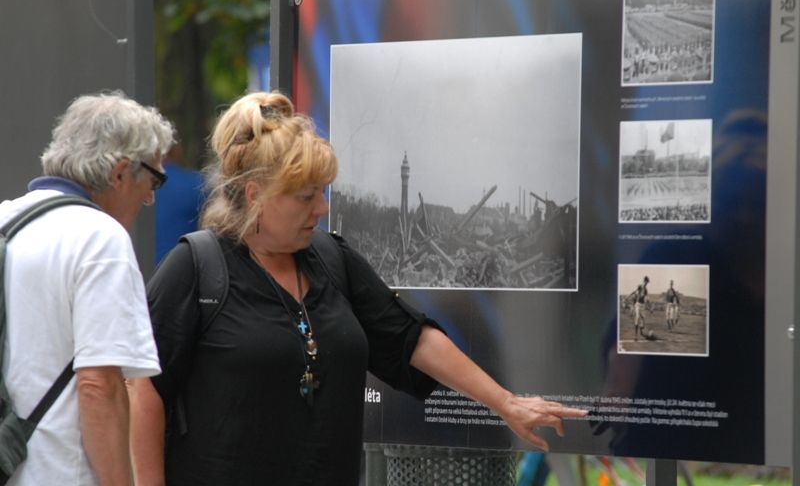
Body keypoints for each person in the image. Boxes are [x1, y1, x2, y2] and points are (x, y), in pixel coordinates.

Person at [128, 91, 587, 486]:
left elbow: (410, 336)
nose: (322, 209)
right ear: (256, 196)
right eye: (306, 196)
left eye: (323, 192)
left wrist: (506, 403)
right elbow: (144, 389)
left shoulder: (331, 259)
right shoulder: (195, 268)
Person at [0, 91, 173, 485]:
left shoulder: (5, 219)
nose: (149, 197)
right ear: (119, 172)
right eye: (153, 180)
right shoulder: (100, 239)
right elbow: (99, 385)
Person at [154, 144, 206, 263]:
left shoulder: (135, 184)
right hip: (179, 269)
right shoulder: (196, 184)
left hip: (139, 268)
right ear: (177, 151)